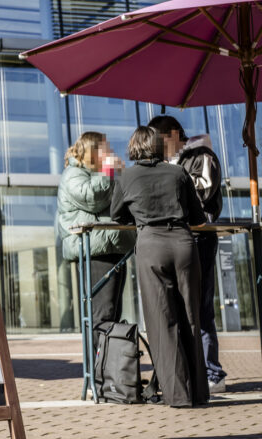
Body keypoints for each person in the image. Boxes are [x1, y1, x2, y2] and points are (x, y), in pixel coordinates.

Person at [111, 126, 208, 408]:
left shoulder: (126, 176)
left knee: (162, 321)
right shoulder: (178, 173)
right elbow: (198, 217)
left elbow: (117, 215)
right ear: (157, 145)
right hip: (183, 244)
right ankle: (199, 393)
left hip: (151, 245)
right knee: (191, 316)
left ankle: (178, 395)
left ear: (133, 147)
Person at [148, 116, 228, 394]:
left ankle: (212, 374)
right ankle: (189, 373)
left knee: (200, 307)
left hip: (198, 237)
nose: (157, 147)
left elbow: (202, 194)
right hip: (174, 238)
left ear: (172, 134)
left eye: (159, 141)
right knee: (178, 308)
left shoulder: (201, 155)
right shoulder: (166, 163)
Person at [55, 132, 134, 337]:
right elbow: (92, 198)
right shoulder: (74, 173)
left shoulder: (99, 173)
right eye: (105, 148)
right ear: (93, 151)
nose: (110, 151)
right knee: (103, 314)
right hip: (96, 251)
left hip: (111, 246)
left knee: (112, 312)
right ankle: (100, 357)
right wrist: (108, 171)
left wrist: (120, 174)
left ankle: (108, 355)